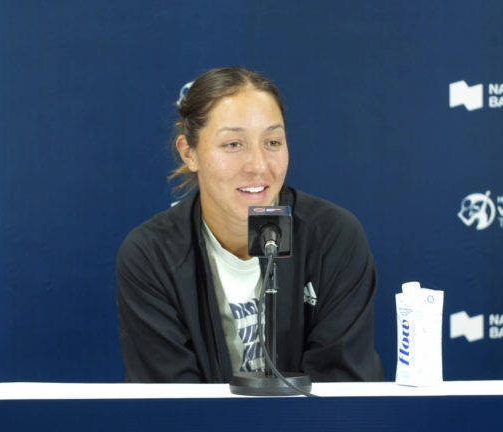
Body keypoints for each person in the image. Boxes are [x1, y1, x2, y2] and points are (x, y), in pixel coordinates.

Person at [116, 67, 383, 383]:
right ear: (189, 152)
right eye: (233, 145)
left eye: (272, 142)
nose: (258, 166)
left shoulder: (333, 237)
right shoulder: (152, 255)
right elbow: (173, 406)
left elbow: (342, 390)